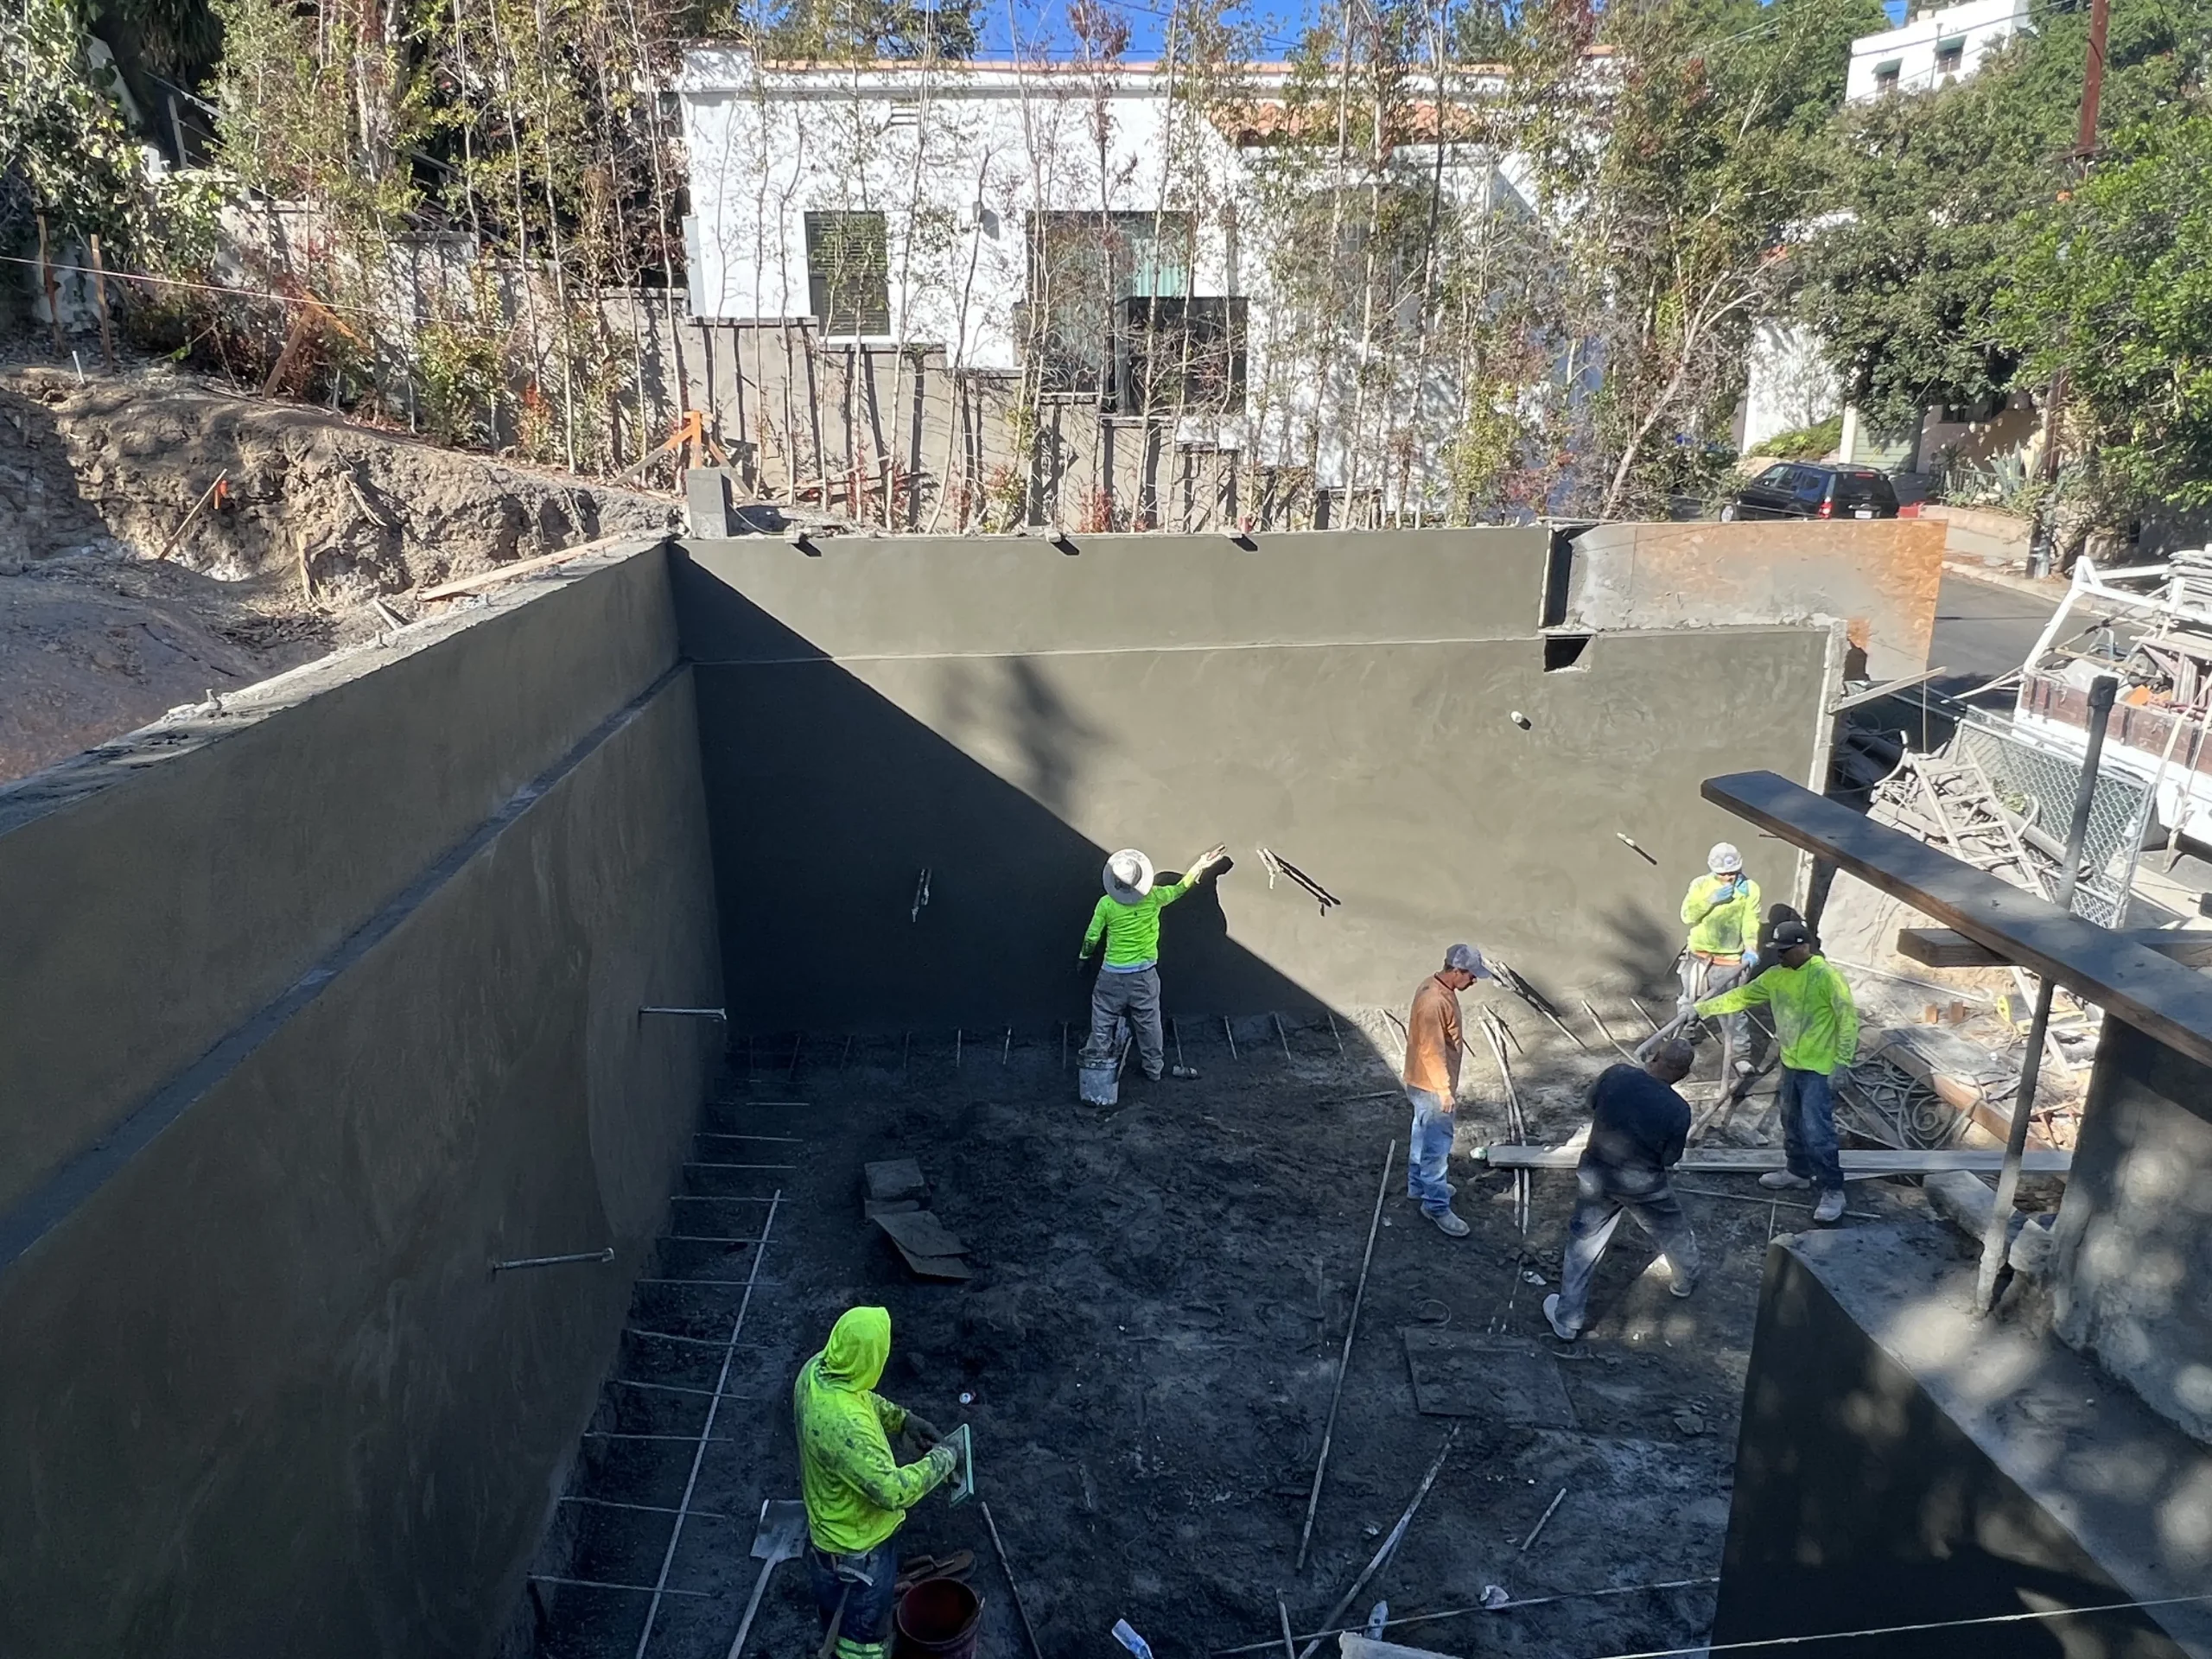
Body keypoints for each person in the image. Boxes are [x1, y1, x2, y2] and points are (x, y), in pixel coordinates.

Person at [792, 1306, 964, 1659]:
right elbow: (893, 1491)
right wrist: (944, 1459)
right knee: (863, 1639)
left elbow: (862, 1395)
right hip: (858, 1553)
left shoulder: (817, 1370)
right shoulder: (844, 1424)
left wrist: (902, 1420)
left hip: (833, 1537)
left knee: (839, 1622)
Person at [1695, 917, 1859, 1224]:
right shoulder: (1775, 976)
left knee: (1818, 1131)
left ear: (1804, 947)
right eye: (1777, 950)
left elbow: (1848, 1020)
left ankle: (1832, 1190)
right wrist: (1701, 1009)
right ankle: (1797, 1171)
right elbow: (1741, 997)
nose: (1780, 955)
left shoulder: (1827, 977)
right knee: (1790, 1121)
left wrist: (1843, 1062)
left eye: (1785, 950)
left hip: (1819, 1068)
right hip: (1791, 1064)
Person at [1542, 1040, 1700, 1341]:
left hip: (1597, 1175)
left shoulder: (1616, 1075)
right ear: (1683, 1074)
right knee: (1672, 1230)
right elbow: (1670, 1159)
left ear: (1655, 1057)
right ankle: (1685, 1280)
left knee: (1583, 1243)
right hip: (1644, 1185)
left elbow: (1591, 1103)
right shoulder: (1679, 1110)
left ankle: (1567, 1319)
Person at [1078, 844, 1230, 1081]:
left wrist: (1084, 959)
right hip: (1144, 976)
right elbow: (1180, 888)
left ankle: (1099, 1065)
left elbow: (1091, 937)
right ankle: (1154, 1069)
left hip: (1111, 975)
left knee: (1103, 1018)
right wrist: (1201, 866)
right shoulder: (1154, 897)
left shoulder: (1106, 904)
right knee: (1149, 1023)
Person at [1402, 943, 1495, 1237]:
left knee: (1421, 1134)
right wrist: (1445, 1091)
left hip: (1419, 1080)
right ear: (1456, 971)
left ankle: (1418, 1187)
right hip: (1432, 1085)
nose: (1474, 980)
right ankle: (1436, 1206)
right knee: (1437, 1149)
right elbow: (1432, 1050)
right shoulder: (1435, 1002)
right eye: (1471, 975)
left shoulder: (1433, 986)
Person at [1680, 842, 1762, 1073]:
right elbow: (1687, 916)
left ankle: (1740, 1055)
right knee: (1689, 1001)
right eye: (1723, 874)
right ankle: (1683, 1038)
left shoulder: (1750, 889)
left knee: (1733, 1009)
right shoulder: (1700, 885)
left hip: (1730, 960)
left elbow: (1751, 921)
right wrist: (1710, 900)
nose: (1728, 877)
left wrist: (1751, 948)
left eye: (1733, 872)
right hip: (1699, 956)